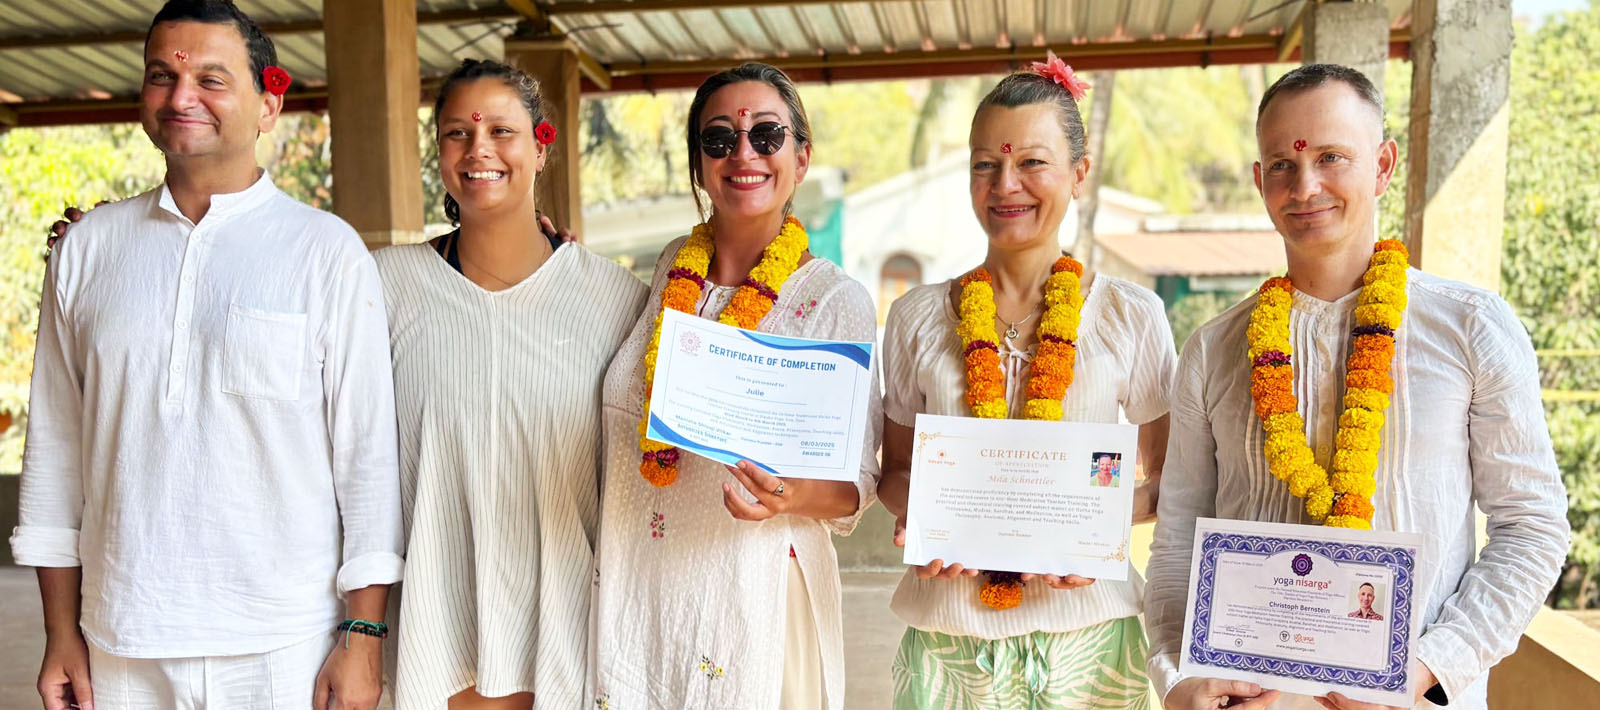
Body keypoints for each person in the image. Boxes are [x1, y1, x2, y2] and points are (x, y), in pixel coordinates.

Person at [11, 2, 402, 709]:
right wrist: (60, 631)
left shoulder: (324, 253)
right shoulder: (87, 250)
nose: (180, 96)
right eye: (161, 76)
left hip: (285, 644)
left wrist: (363, 634)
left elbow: (366, 461)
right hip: (120, 642)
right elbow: (56, 457)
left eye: (211, 80)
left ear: (267, 105)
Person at [1146, 64, 1570, 710]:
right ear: (1261, 182)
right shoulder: (1212, 351)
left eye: (1331, 157)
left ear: (1382, 165)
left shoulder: (1471, 328)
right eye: (1283, 166)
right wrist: (1176, 681)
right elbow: (1177, 539)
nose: (1306, 184)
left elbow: (1532, 528)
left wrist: (1426, 667)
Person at [874, 54, 1174, 710]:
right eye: (986, 164)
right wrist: (924, 516)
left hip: (1090, 635)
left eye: (1032, 162)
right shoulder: (916, 317)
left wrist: (1084, 534)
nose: (1006, 183)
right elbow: (893, 472)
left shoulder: (1131, 315)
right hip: (948, 636)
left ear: (1079, 174)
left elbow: (1170, 481)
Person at [589, 62, 881, 710]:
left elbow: (854, 485)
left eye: (767, 136)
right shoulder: (670, 268)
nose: (743, 154)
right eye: (718, 139)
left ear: (800, 158)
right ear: (699, 165)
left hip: (753, 602)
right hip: (643, 593)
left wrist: (787, 494)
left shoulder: (836, 300)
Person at [374, 59, 646, 710]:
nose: (479, 151)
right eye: (457, 135)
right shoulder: (383, 286)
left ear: (542, 143)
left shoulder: (616, 301)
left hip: (570, 633)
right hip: (431, 627)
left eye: (502, 130)